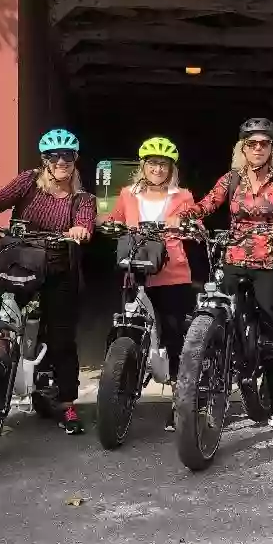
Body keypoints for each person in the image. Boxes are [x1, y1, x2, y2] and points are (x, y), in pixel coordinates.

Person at [0, 129, 96, 435]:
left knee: (62, 337)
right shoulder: (28, 182)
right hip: (19, 263)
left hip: (57, 268)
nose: (61, 161)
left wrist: (80, 230)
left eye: (68, 155)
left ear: (75, 160)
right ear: (45, 160)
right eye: (55, 155)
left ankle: (65, 403)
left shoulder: (83, 198)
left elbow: (86, 222)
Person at [175, 118, 273, 435]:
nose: (258, 148)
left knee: (270, 334)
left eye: (264, 143)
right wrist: (184, 214)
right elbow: (207, 204)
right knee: (218, 319)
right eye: (252, 143)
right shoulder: (231, 179)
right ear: (242, 148)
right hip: (233, 255)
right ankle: (203, 390)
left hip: (269, 261)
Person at [105, 136, 197, 432]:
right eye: (153, 163)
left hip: (172, 273)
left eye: (164, 164)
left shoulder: (183, 196)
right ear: (143, 166)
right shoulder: (127, 194)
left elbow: (196, 225)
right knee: (127, 329)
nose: (158, 168)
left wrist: (188, 227)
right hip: (136, 271)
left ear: (171, 168)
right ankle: (121, 386)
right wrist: (104, 222)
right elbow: (115, 219)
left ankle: (178, 402)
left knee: (174, 337)